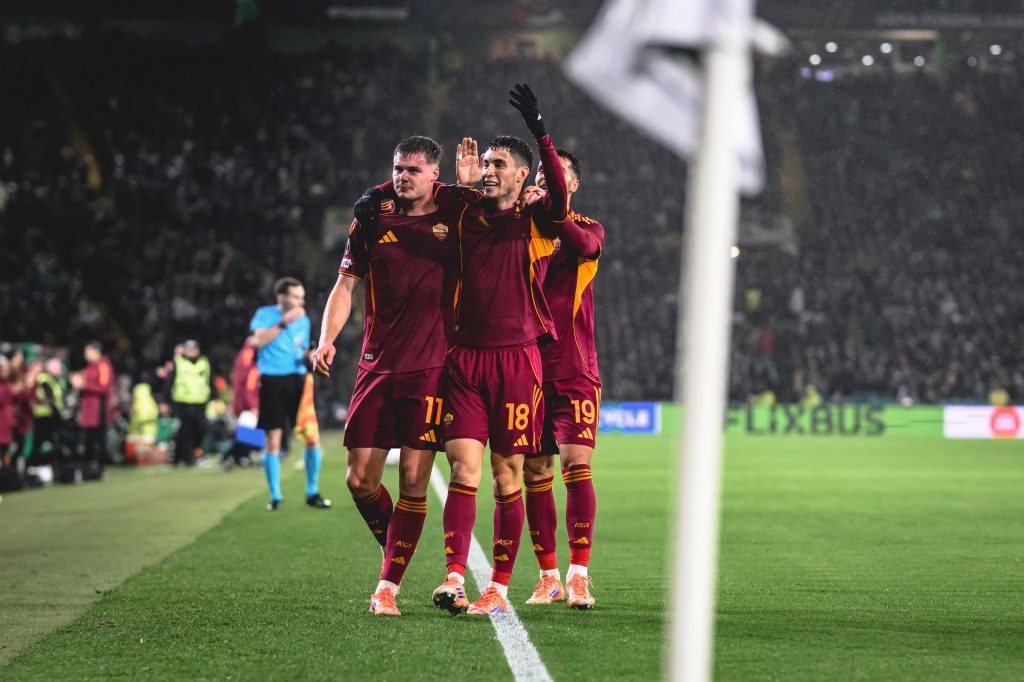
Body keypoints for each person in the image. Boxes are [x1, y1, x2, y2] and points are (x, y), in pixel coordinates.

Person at [362, 84, 570, 616]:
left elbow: (564, 206)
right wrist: (376, 194)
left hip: (517, 361)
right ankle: (454, 579)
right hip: (464, 362)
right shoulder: (464, 213)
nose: (491, 169)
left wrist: (541, 132)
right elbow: (416, 186)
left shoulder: (536, 217)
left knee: (507, 475)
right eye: (488, 163)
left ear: (524, 176)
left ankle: (498, 586)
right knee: (463, 472)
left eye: (501, 163)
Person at [314, 135, 480, 616]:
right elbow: (345, 287)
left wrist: (472, 190)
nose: (401, 177)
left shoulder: (456, 208)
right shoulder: (371, 217)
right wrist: (326, 339)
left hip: (431, 368)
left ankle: (387, 586)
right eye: (397, 169)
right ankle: (398, 545)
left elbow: (498, 215)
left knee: (412, 478)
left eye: (411, 170)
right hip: (376, 365)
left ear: (434, 174)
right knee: (359, 479)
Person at [521, 149, 604, 610]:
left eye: (555, 176)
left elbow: (585, 247)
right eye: (539, 175)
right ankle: (547, 576)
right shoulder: (523, 228)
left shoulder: (587, 227)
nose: (546, 180)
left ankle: (579, 576)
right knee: (536, 471)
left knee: (575, 464)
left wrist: (548, 214)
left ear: (571, 185)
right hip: (527, 366)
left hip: (574, 368)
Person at [250, 277, 330, 511]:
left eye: (302, 297)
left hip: (298, 380)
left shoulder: (303, 320)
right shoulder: (265, 314)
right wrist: (284, 323)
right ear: (281, 298)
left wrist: (312, 354)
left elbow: (302, 349)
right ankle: (275, 497)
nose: (300, 301)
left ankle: (312, 492)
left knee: (312, 437)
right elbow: (259, 341)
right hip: (272, 380)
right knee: (273, 440)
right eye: (296, 297)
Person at [163, 340, 215, 466]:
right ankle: (186, 457)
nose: (192, 352)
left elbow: (210, 380)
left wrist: (215, 397)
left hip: (200, 402)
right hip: (183, 402)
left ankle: (193, 454)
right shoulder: (178, 363)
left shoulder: (204, 362)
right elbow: (169, 383)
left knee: (201, 429)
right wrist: (165, 400)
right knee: (185, 432)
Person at [70, 342, 115, 469]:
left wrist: (84, 385)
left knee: (99, 438)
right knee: (89, 438)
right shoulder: (89, 367)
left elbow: (104, 388)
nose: (86, 355)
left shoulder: (103, 366)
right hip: (89, 410)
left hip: (99, 409)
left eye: (88, 352)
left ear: (96, 352)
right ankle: (88, 466)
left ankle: (100, 466)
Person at [31, 357, 66, 464]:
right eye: (58, 368)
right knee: (41, 441)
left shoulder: (51, 379)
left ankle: (42, 463)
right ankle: (37, 463)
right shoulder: (45, 378)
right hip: (44, 415)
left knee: (45, 441)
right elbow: (50, 398)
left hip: (49, 414)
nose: (60, 370)